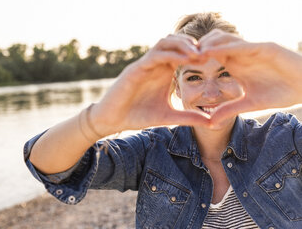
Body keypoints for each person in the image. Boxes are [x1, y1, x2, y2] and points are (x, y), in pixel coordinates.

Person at [23, 12, 302, 229]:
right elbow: (48, 165)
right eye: (194, 77)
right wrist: (99, 121)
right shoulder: (152, 151)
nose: (211, 92)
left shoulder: (284, 136)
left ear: (244, 77)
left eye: (225, 73)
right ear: (177, 87)